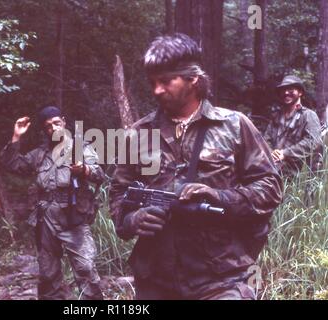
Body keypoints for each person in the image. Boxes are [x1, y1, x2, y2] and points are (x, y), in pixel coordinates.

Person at [109, 34, 283, 300]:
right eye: (152, 82)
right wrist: (134, 219)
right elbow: (119, 195)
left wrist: (221, 197)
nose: (157, 90)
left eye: (166, 81)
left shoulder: (234, 125)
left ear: (193, 79)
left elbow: (270, 187)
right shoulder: (138, 134)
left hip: (221, 277)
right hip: (156, 277)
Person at [0, 106, 104, 300]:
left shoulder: (80, 147)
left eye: (57, 123)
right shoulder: (40, 154)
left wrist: (84, 170)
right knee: (48, 272)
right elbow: (13, 164)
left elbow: (100, 174)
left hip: (74, 216)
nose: (54, 128)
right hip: (46, 216)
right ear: (45, 130)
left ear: (64, 122)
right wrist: (16, 137)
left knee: (86, 268)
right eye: (48, 126)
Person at [264, 75, 323, 176]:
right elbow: (266, 140)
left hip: (296, 174)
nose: (286, 93)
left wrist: (285, 153)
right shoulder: (276, 116)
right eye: (283, 90)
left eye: (291, 90)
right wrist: (271, 153)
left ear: (300, 93)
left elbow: (313, 142)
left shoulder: (308, 115)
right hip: (272, 168)